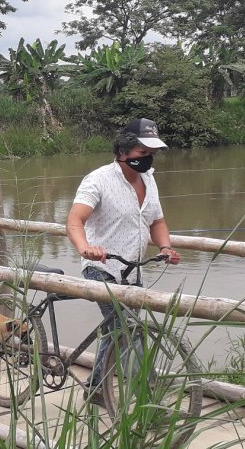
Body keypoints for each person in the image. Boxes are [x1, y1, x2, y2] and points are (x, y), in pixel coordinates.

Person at [65, 117, 181, 403]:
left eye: (151, 153)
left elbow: (157, 221)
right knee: (129, 330)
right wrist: (86, 248)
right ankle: (149, 397)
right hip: (101, 269)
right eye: (142, 153)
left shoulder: (149, 180)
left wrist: (165, 247)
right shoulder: (99, 179)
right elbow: (75, 220)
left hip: (133, 271)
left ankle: (95, 388)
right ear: (123, 151)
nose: (148, 159)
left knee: (118, 330)